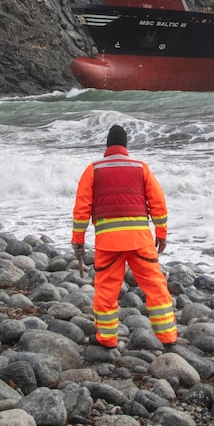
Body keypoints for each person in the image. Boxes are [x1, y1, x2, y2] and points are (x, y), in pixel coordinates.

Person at [72, 124, 178, 349]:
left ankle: (108, 339)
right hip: (140, 240)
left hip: (108, 243)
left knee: (106, 290)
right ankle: (168, 336)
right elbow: (158, 203)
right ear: (126, 145)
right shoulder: (141, 168)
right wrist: (161, 234)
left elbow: (81, 209)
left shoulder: (94, 169)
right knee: (155, 286)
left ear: (108, 145)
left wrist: (78, 240)